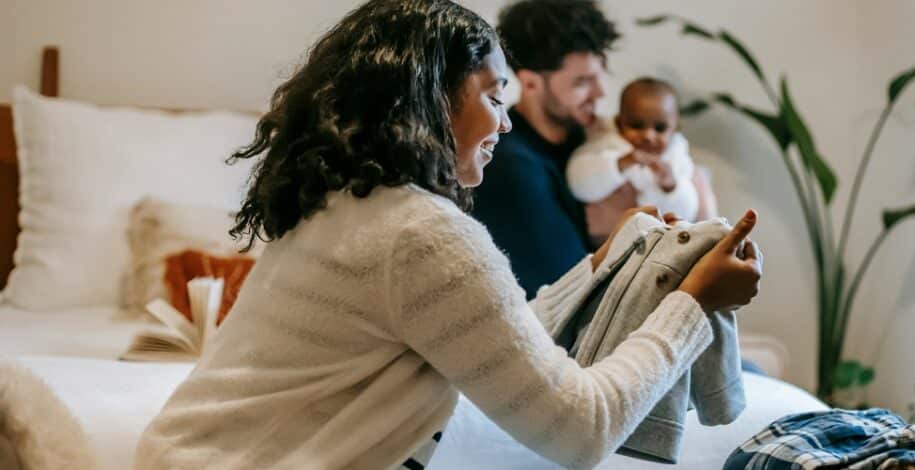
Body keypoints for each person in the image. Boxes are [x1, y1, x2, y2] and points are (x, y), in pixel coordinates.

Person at [134, 1, 763, 469]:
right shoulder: (423, 237)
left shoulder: (344, 206)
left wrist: (603, 260)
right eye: (493, 97)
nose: (506, 123)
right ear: (432, 100)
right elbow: (583, 429)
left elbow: (493, 335)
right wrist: (692, 305)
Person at [471, 0, 633, 298]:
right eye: (582, 82)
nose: (600, 93)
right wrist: (623, 229)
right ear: (530, 83)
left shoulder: (592, 142)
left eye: (601, 74)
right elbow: (574, 296)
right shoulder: (510, 167)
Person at [567, 77, 718, 239]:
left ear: (674, 129)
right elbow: (578, 183)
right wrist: (619, 164)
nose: (648, 136)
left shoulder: (676, 159)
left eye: (660, 128)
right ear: (619, 122)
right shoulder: (605, 144)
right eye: (636, 125)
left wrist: (670, 187)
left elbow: (687, 214)